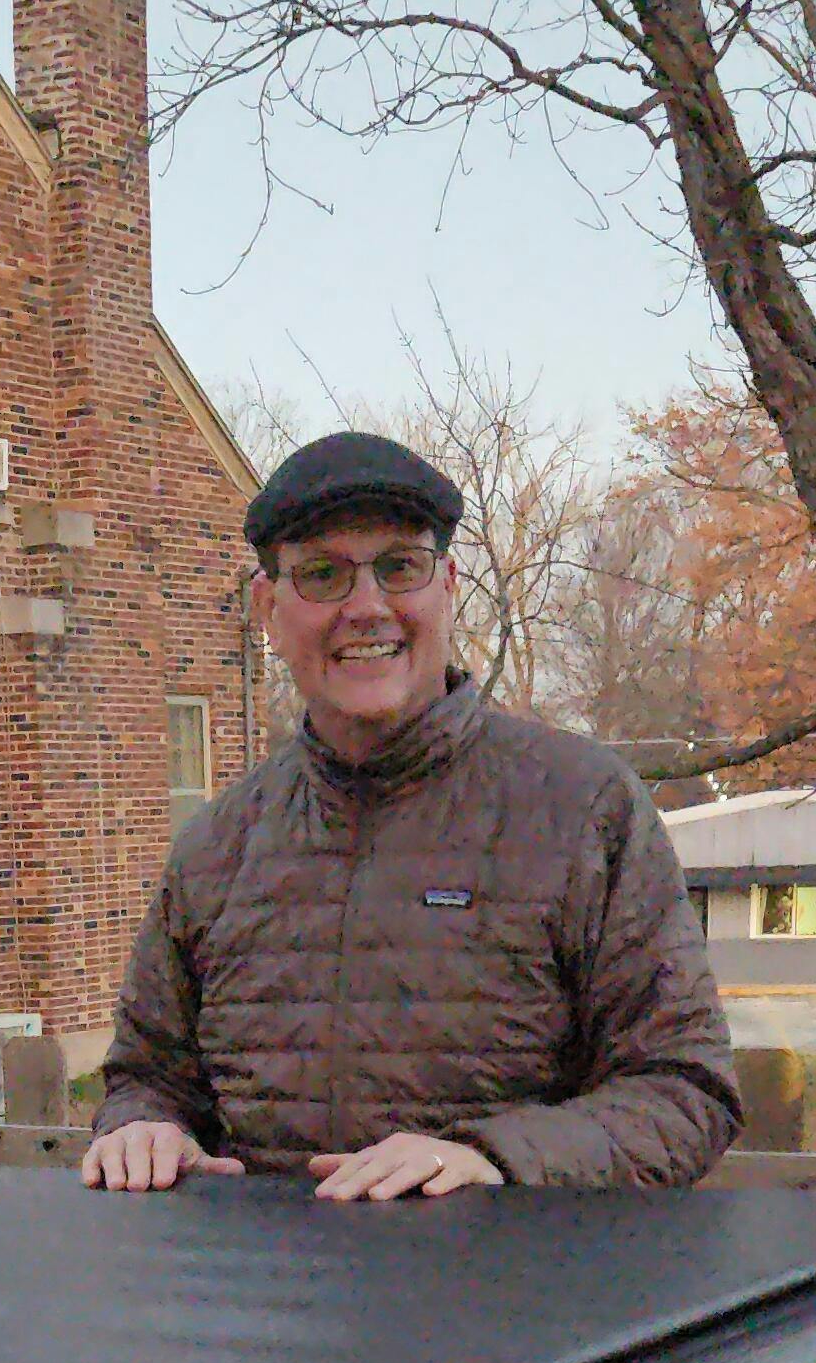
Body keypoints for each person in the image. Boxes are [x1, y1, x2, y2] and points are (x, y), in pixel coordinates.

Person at [82, 429, 742, 1201]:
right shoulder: (218, 845)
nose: (366, 608)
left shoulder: (582, 810)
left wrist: (494, 1158)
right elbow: (149, 1079)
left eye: (399, 567)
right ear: (268, 606)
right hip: (269, 1277)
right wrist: (143, 1126)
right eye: (323, 575)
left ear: (448, 585)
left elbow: (685, 1091)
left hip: (516, 1272)